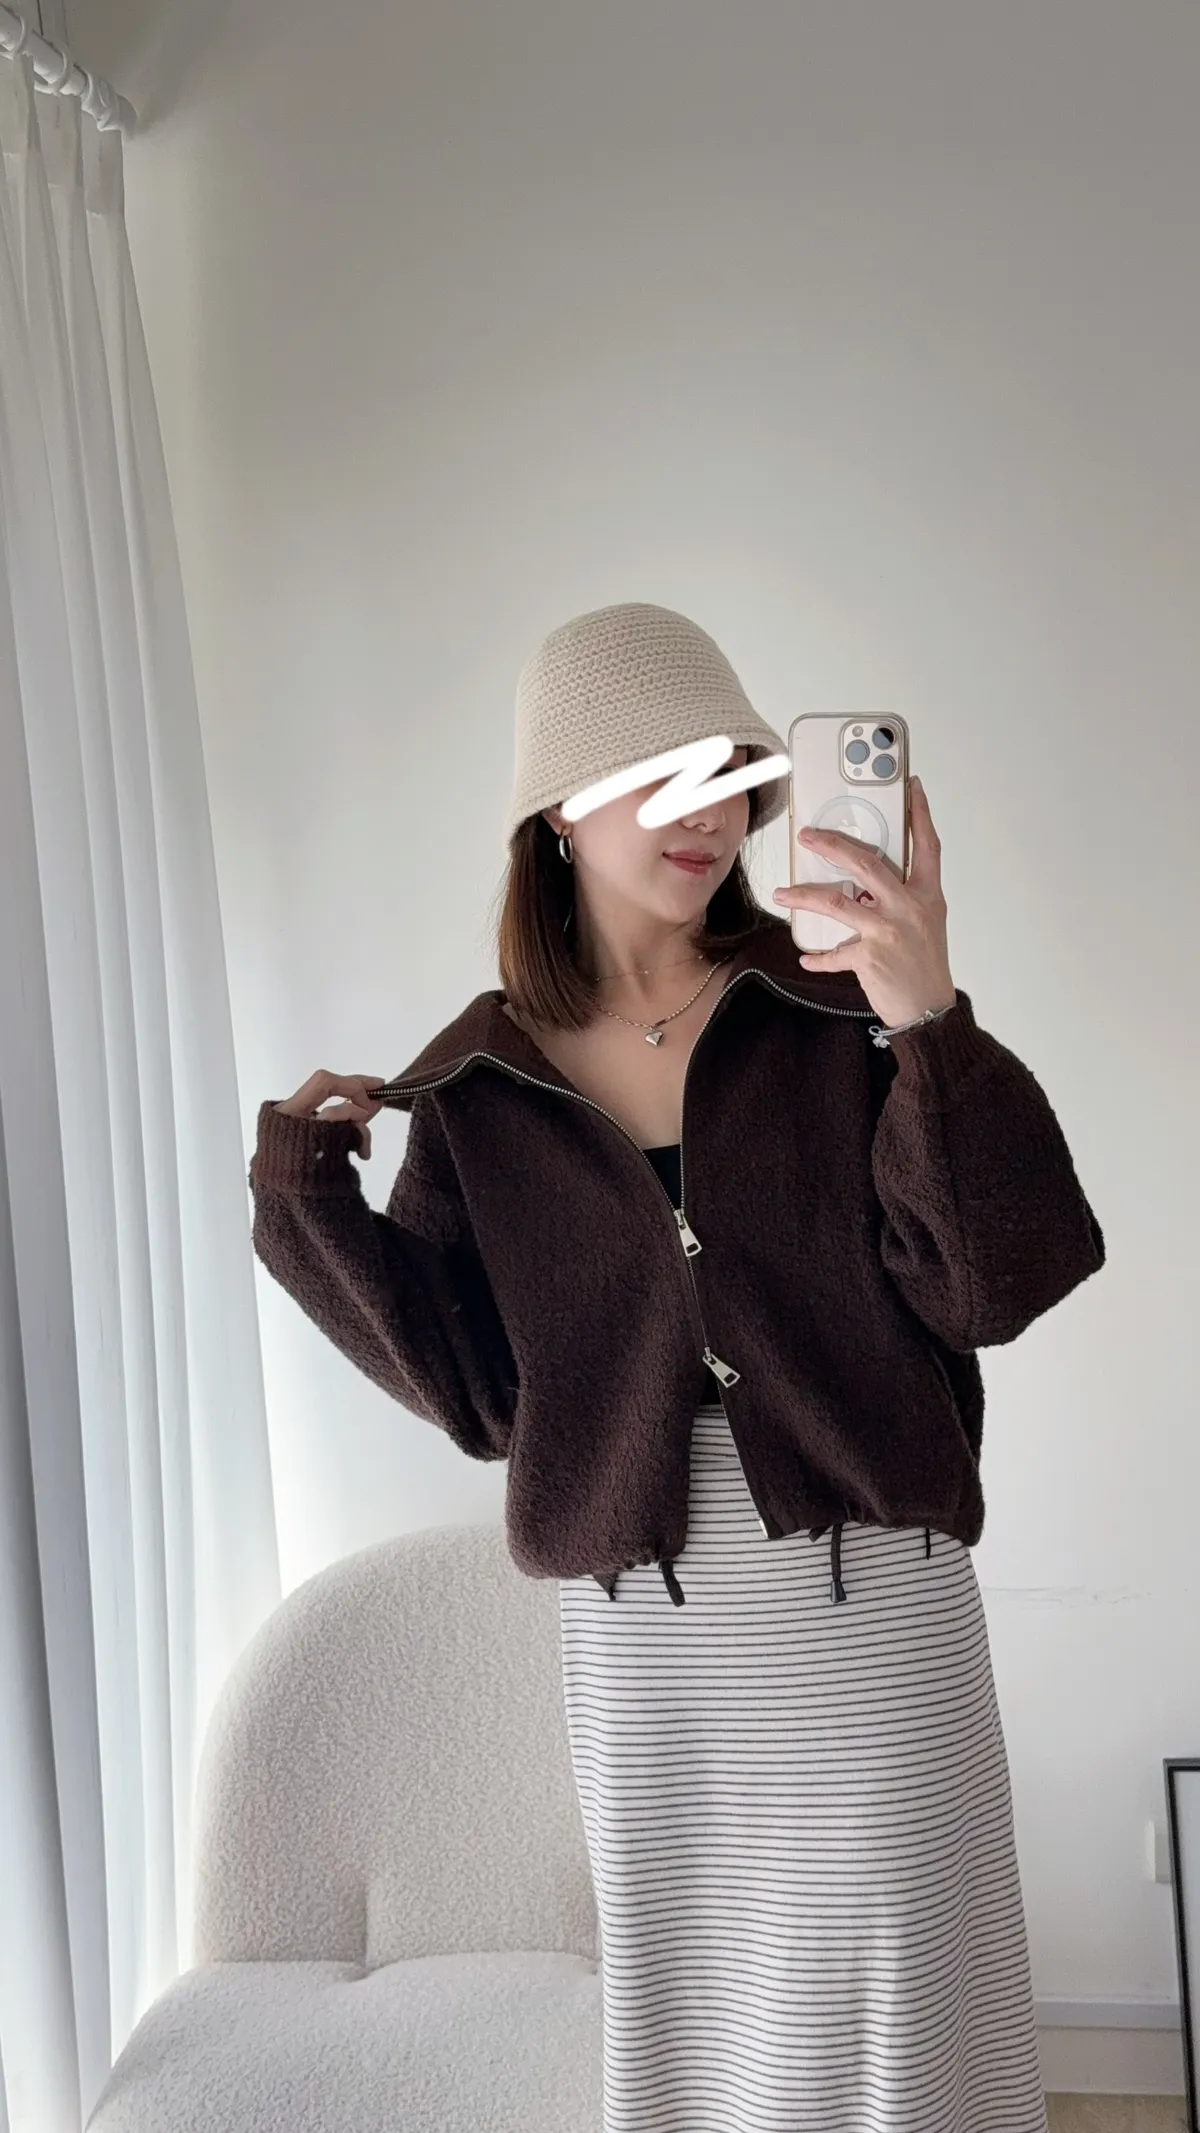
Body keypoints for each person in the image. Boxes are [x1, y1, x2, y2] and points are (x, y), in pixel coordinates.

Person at [249, 601, 1105, 2133]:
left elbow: (995, 1286)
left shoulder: (834, 1008)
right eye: (659, 772)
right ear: (556, 812)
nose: (710, 810)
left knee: (905, 2020)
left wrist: (928, 1016)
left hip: (871, 1605)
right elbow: (480, 1400)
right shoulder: (480, 1084)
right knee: (707, 2031)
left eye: (731, 769)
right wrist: (307, 1195)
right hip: (654, 1648)